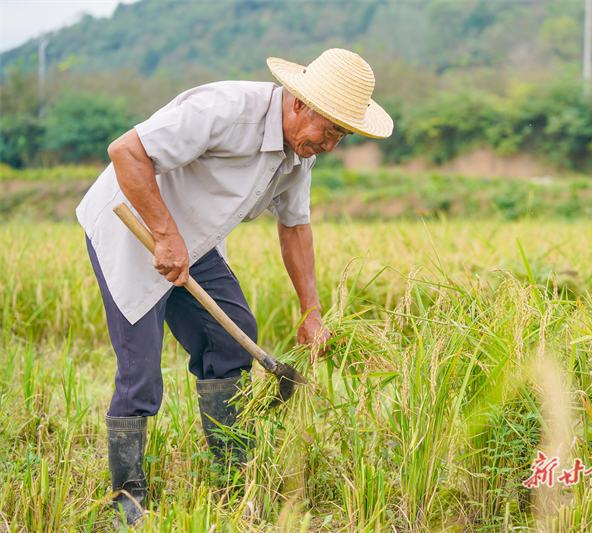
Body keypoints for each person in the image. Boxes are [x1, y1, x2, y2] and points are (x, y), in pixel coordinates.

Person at [76, 48, 393, 526]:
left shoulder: (298, 154)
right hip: (132, 225)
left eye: (341, 136)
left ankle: (232, 479)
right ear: (300, 104)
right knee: (140, 369)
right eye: (329, 130)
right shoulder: (225, 110)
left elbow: (296, 228)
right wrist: (163, 234)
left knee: (231, 336)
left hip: (193, 241)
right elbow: (126, 150)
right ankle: (127, 497)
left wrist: (312, 312)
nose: (330, 145)